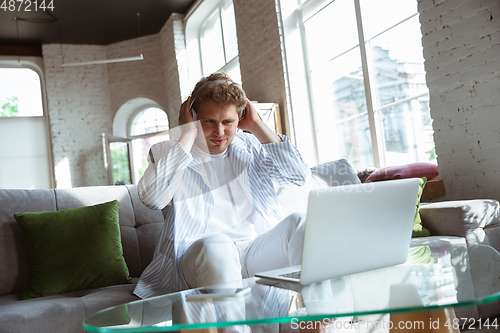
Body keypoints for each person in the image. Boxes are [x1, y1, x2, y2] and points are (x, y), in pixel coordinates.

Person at [133, 73, 311, 299]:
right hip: (199, 256)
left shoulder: (252, 145)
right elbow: (152, 198)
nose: (219, 132)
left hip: (254, 251)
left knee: (301, 222)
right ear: (193, 116)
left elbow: (299, 177)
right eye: (209, 121)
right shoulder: (169, 151)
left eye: (228, 122)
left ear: (240, 118)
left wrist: (256, 125)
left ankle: (314, 320)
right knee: (218, 245)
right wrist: (187, 133)